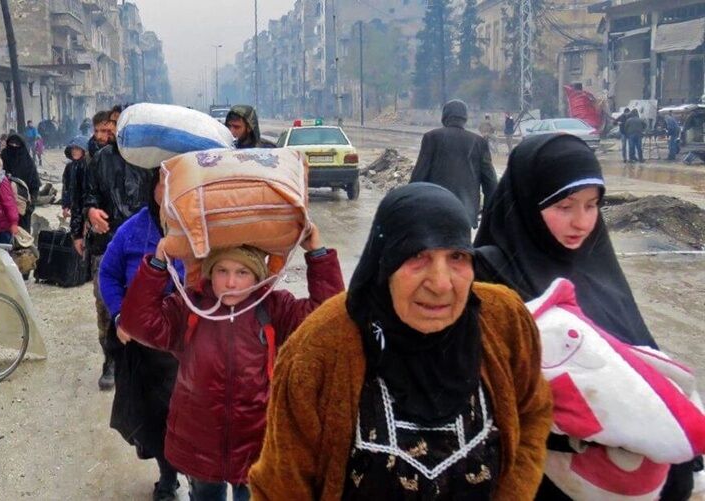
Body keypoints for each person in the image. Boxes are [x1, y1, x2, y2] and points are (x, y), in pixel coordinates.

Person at [249, 183, 552, 499]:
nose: (440, 283)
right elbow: (281, 485)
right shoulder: (319, 348)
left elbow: (532, 413)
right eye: (417, 255)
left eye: (457, 256)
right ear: (385, 260)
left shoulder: (504, 320)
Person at [473, 133, 695, 500]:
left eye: (592, 206)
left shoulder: (598, 268)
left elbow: (640, 362)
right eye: (565, 206)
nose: (581, 222)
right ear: (527, 202)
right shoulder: (488, 275)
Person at [118, 221, 344, 500]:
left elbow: (327, 320)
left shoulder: (274, 309)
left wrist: (317, 254)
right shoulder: (190, 308)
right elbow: (139, 323)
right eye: (222, 271)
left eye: (242, 272)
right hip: (199, 442)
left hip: (256, 443)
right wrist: (157, 263)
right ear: (210, 273)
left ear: (257, 276)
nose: (231, 282)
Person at [98, 168, 186, 501]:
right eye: (164, 181)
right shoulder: (133, 230)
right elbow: (108, 274)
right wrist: (122, 316)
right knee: (155, 414)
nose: (170, 189)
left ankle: (205, 482)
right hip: (144, 344)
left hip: (188, 341)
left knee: (191, 413)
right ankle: (168, 476)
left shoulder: (203, 230)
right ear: (153, 187)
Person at [84, 122, 154, 390]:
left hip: (143, 243)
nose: (111, 133)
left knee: (147, 302)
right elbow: (88, 195)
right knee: (105, 303)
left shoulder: (149, 159)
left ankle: (145, 361)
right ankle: (110, 360)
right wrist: (90, 212)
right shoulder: (100, 159)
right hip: (107, 242)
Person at [409, 100, 497, 229]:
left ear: (444, 116)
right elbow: (490, 181)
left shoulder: (432, 137)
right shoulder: (479, 142)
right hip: (466, 213)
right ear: (465, 118)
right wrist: (489, 213)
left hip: (435, 211)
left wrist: (411, 207)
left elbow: (419, 176)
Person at [0, 134, 40, 232]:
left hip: (23, 208)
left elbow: (34, 186)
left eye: (16, 145)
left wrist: (30, 206)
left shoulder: (28, 163)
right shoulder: (1, 160)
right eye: (11, 144)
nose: (14, 147)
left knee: (22, 239)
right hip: (4, 208)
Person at [61, 136, 89, 257]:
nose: (75, 151)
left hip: (86, 207)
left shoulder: (89, 167)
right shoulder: (70, 167)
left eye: (78, 149)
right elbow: (66, 187)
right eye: (73, 149)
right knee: (76, 234)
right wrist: (65, 205)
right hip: (75, 207)